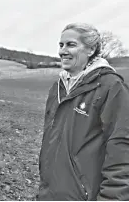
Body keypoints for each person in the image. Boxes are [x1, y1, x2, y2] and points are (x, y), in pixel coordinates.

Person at [38, 23, 129, 200]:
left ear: (91, 49)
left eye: (71, 44)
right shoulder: (57, 89)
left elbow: (122, 154)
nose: (62, 51)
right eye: (61, 45)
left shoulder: (111, 88)